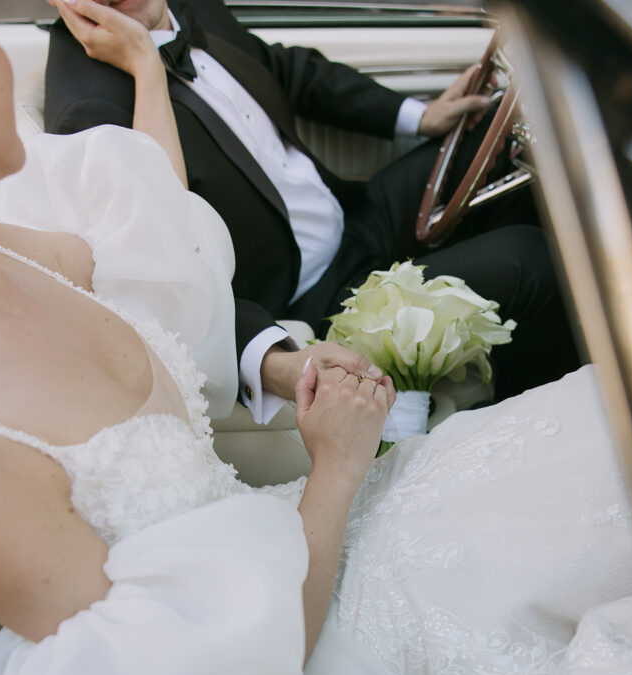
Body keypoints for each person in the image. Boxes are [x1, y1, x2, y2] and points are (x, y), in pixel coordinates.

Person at [0, 7, 632, 675]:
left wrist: (282, 361)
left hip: (294, 527)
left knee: (595, 445)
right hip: (300, 644)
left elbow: (161, 235)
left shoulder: (16, 247)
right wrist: (336, 467)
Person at [43, 0, 580, 421]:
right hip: (313, 296)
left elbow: (285, 69)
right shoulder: (89, 108)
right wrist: (146, 65)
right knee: (530, 259)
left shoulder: (187, 3)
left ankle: (530, 351)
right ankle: (552, 419)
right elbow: (161, 275)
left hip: (354, 214)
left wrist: (420, 114)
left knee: (512, 141)